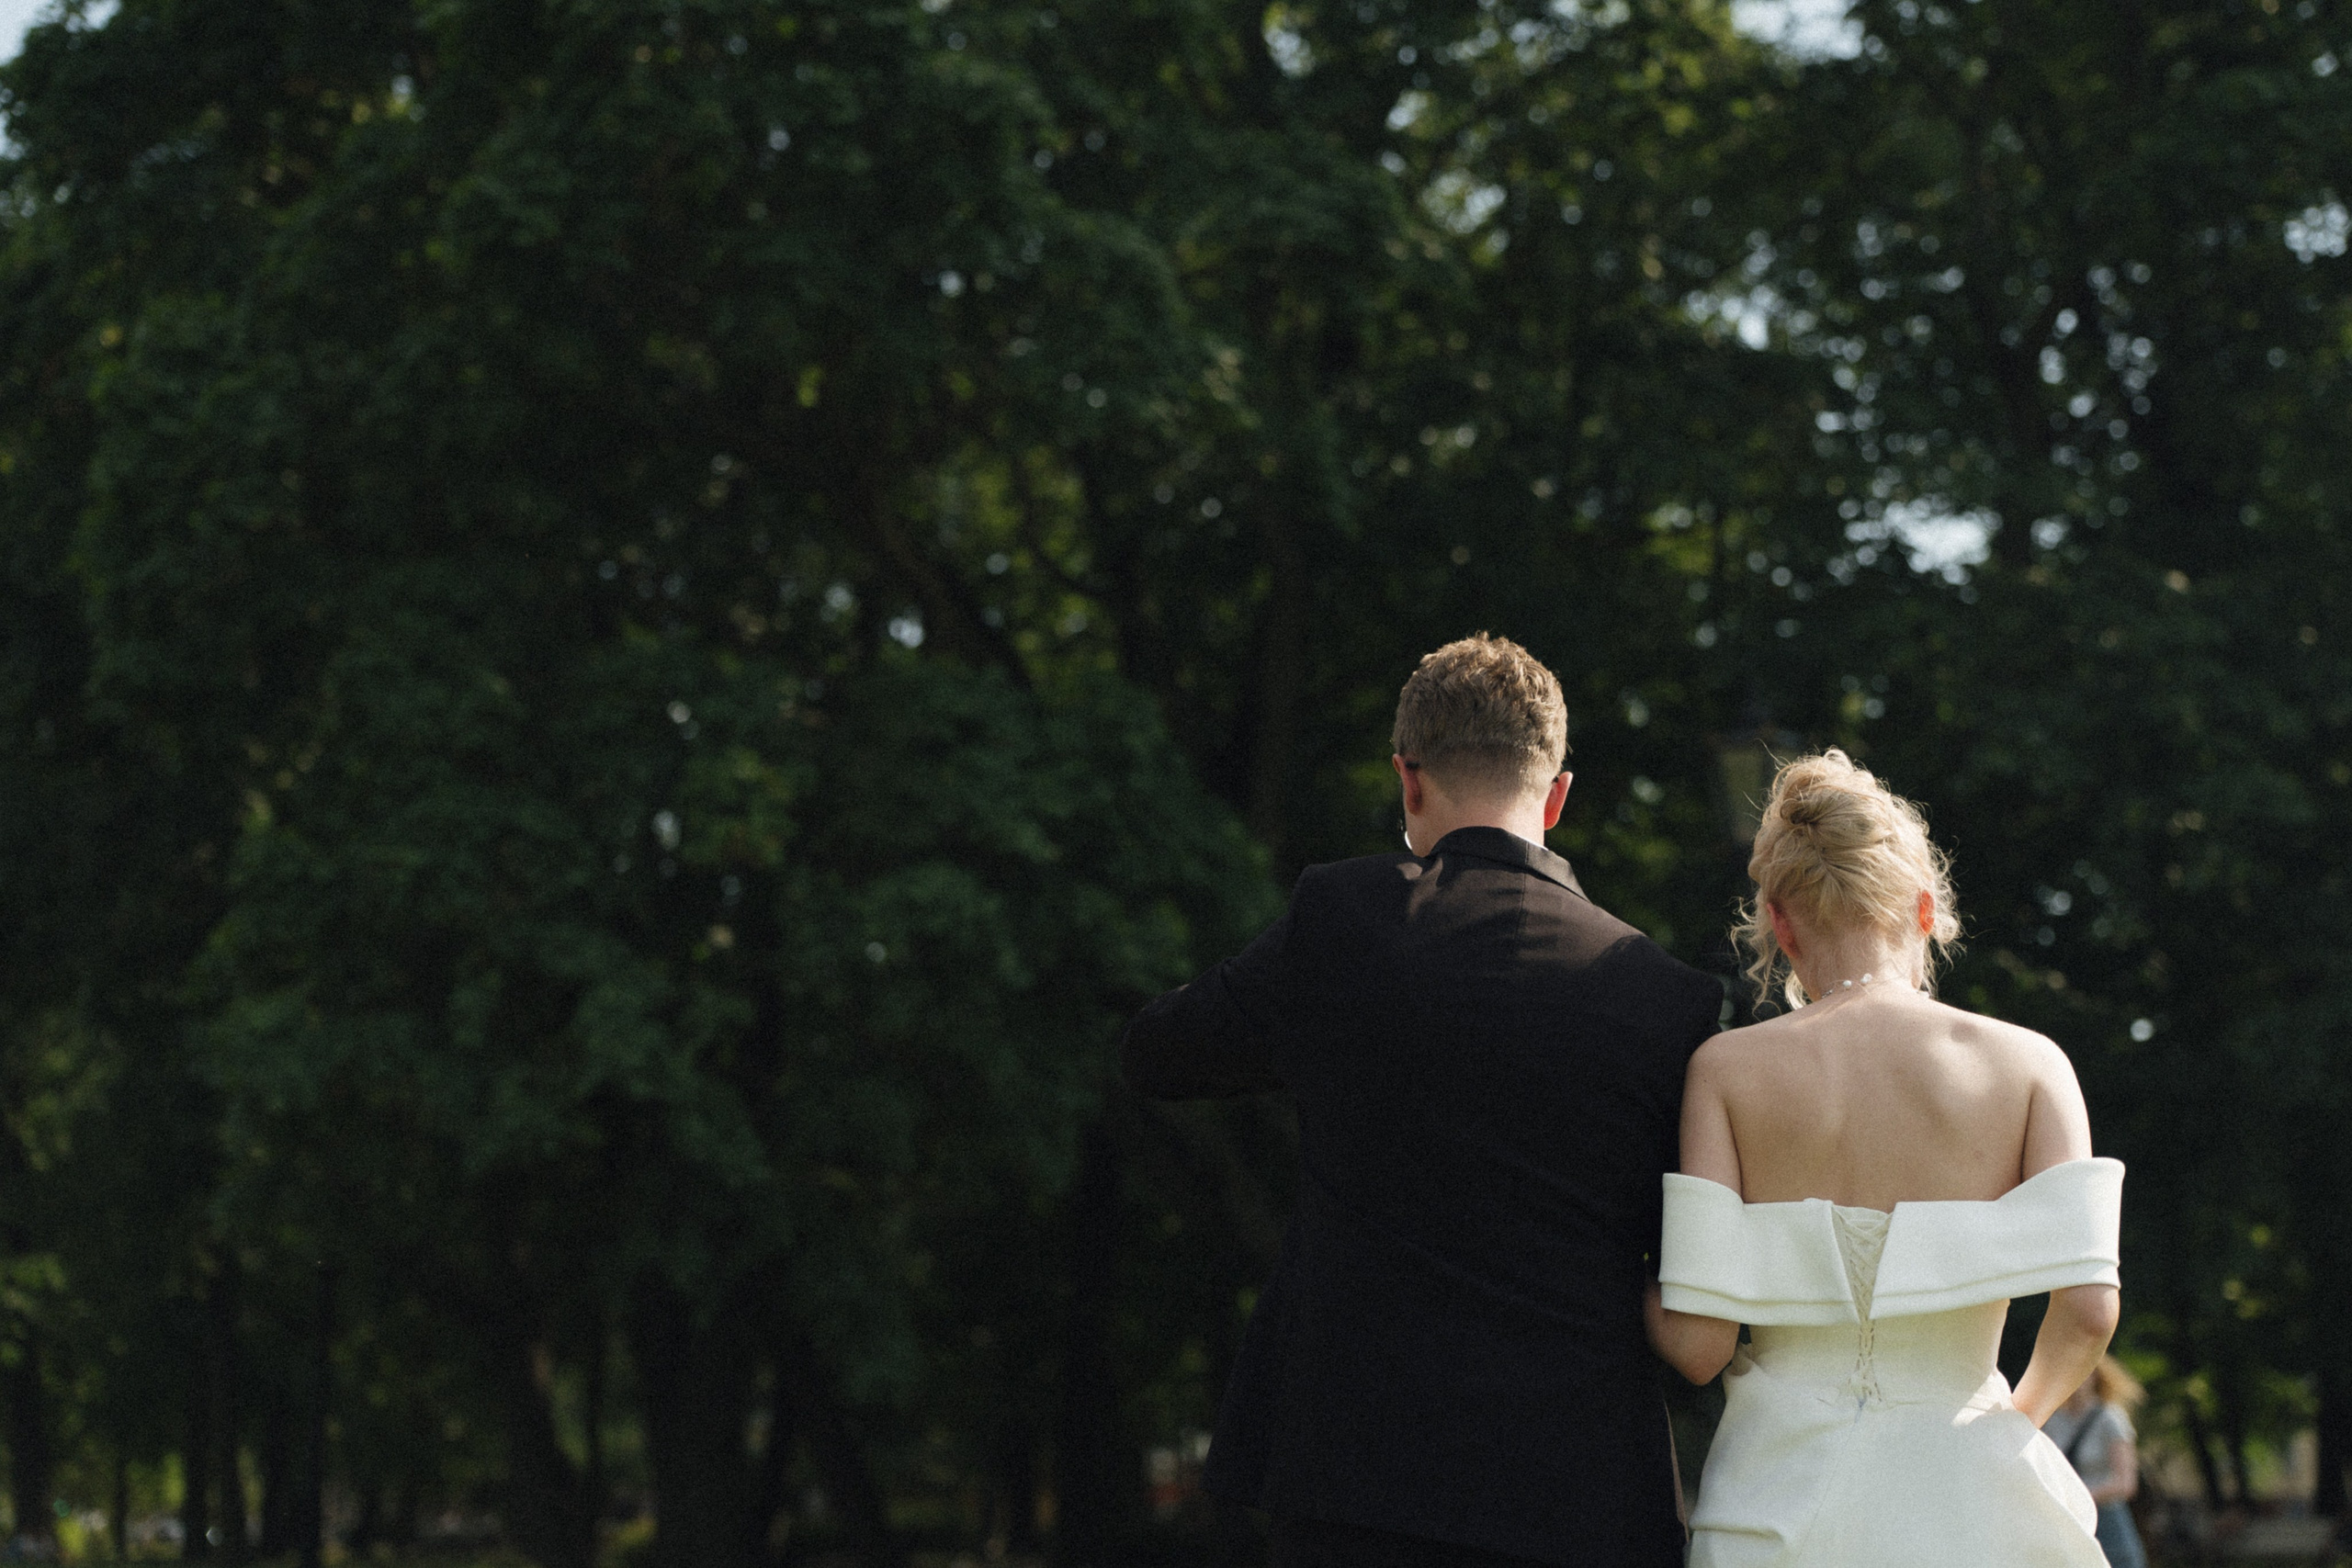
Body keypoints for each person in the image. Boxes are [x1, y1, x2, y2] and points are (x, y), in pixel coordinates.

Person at [1122, 634, 1723, 1568]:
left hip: (1357, 1479)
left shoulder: (1342, 921)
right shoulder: (1666, 996)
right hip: (1579, 1489)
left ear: (1408, 779)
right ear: (1557, 795)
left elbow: (1158, 1055)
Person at [1645, 750, 2125, 1567]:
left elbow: (1699, 1344)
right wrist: (2014, 1419)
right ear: (1926, 908)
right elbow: (2088, 1310)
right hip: (1973, 1500)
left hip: (1778, 1502)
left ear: (1781, 924)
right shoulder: (2030, 1064)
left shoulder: (1724, 1071)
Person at [2046, 1357, 2150, 1568]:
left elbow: (2125, 1483)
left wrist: (2080, 1498)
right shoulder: (2053, 1422)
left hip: (2109, 1522)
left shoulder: (2110, 1418)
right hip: (2070, 1524)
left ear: (2094, 1376)